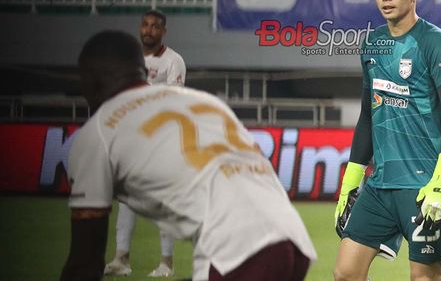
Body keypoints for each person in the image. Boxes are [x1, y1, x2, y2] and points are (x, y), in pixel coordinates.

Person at [61, 30, 316, 281]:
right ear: (143, 69)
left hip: (237, 253)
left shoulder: (97, 134)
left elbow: (86, 263)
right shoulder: (203, 101)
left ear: (89, 80)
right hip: (293, 238)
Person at [333, 0, 441, 281]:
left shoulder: (435, 42)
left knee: (423, 277)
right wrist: (350, 183)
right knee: (345, 273)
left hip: (424, 187)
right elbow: (368, 115)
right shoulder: (373, 44)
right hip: (380, 185)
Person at [104, 10, 187, 278]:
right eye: (146, 25)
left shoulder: (174, 61)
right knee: (127, 202)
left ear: (164, 31)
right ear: (140, 28)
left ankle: (166, 263)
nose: (149, 30)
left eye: (155, 27)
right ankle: (121, 259)